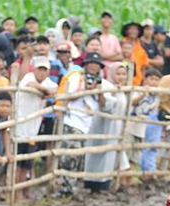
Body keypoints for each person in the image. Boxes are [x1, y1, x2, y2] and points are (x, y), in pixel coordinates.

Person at [58, 52, 104, 194]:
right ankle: (65, 187)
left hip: (86, 123)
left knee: (79, 158)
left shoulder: (100, 81)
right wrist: (85, 89)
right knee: (70, 156)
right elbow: (68, 96)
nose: (94, 66)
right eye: (91, 63)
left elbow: (103, 103)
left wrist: (99, 90)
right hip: (73, 119)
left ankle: (71, 186)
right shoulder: (77, 77)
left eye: (97, 64)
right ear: (85, 65)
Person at [15, 57, 58, 201]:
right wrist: (44, 91)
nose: (42, 72)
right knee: (17, 163)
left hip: (33, 130)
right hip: (20, 126)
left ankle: (23, 192)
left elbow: (55, 89)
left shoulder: (48, 82)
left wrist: (47, 91)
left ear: (48, 72)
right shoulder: (29, 77)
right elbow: (31, 84)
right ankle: (16, 193)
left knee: (27, 163)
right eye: (40, 69)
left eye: (45, 70)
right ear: (34, 69)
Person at [84, 62, 129, 191]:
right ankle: (97, 185)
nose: (121, 77)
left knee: (116, 158)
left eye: (123, 74)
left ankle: (116, 186)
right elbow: (105, 105)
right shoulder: (107, 86)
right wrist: (102, 94)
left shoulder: (122, 90)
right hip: (104, 127)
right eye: (118, 74)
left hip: (117, 128)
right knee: (101, 156)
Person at [128, 67, 161, 172]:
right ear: (145, 79)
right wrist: (142, 95)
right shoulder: (138, 90)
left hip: (142, 128)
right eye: (151, 79)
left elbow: (153, 112)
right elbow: (131, 102)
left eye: (156, 80)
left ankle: (131, 178)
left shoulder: (156, 96)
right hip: (130, 126)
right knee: (126, 153)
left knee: (135, 157)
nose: (154, 82)